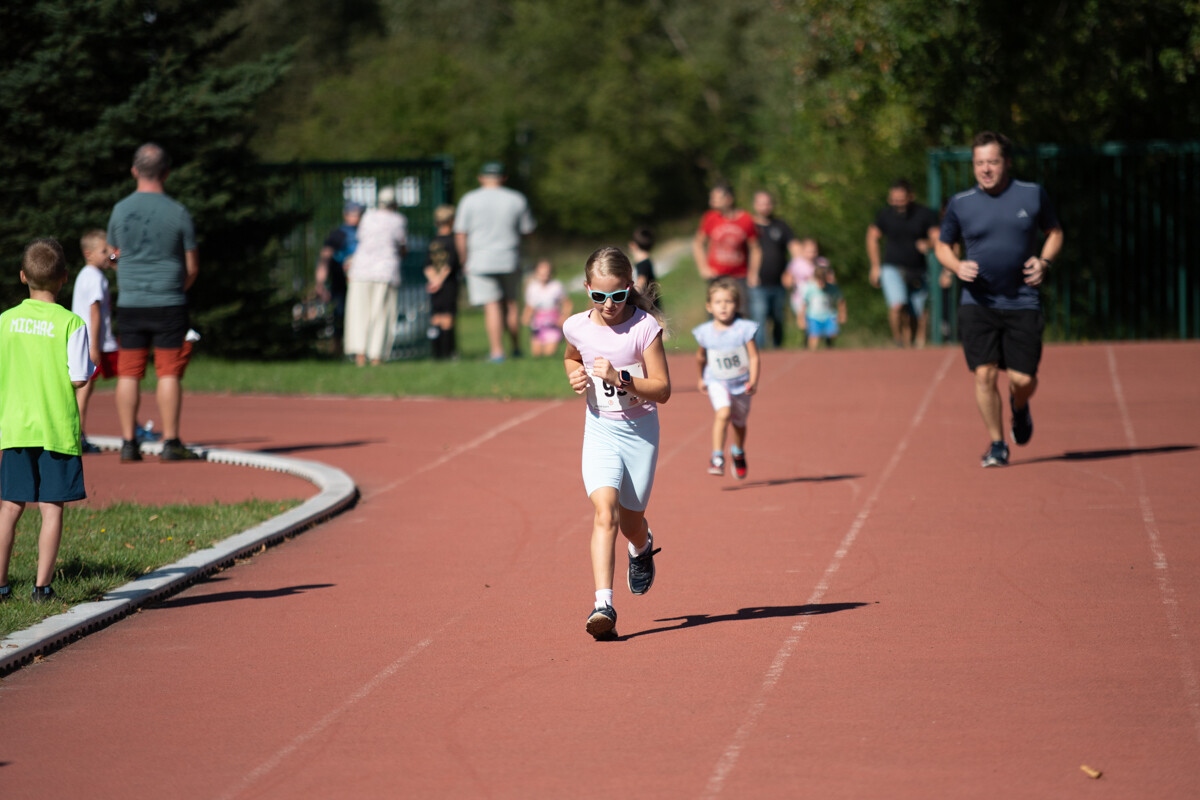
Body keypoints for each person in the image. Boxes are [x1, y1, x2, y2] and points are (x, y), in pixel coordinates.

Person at [936, 131, 1063, 468]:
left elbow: (1055, 232)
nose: (986, 169)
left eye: (992, 162)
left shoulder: (1032, 194)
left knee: (1023, 380)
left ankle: (1019, 407)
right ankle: (996, 443)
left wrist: (1044, 262)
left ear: (1006, 162)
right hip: (978, 303)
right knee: (984, 374)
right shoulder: (961, 203)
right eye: (979, 163)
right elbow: (942, 244)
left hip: (1023, 301)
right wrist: (956, 264)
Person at [563, 246, 670, 640]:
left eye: (617, 295)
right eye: (598, 296)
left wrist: (620, 378)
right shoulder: (576, 326)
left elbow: (662, 389)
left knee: (630, 523)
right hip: (601, 430)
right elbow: (572, 357)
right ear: (587, 288)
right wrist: (574, 375)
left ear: (629, 288)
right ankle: (602, 605)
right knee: (603, 513)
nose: (608, 305)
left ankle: (642, 549)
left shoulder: (644, 328)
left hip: (640, 432)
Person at [0, 238, 94, 603]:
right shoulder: (71, 323)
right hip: (55, 427)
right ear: (64, 279)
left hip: (16, 426)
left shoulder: (5, 321)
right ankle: (42, 588)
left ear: (23, 276)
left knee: (9, 506)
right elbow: (78, 377)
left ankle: (3, 585)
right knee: (51, 508)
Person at [107, 142, 200, 463]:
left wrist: (126, 270)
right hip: (169, 302)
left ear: (134, 171)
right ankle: (171, 442)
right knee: (168, 372)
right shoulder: (178, 212)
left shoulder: (120, 210)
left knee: (129, 373)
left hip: (131, 303)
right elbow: (192, 267)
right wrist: (175, 286)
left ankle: (128, 443)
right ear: (167, 172)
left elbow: (113, 253)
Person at [454, 162, 537, 362]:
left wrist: (463, 258)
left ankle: (497, 352)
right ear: (503, 177)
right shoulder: (517, 199)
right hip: (510, 257)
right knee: (511, 304)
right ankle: (516, 348)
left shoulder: (469, 200)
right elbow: (528, 231)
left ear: (481, 178)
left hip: (481, 260)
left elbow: (460, 233)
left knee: (492, 306)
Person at [693, 278, 760, 479]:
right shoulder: (705, 332)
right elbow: (700, 357)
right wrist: (700, 378)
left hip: (741, 383)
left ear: (737, 305)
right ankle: (717, 456)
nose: (723, 306)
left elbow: (754, 356)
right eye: (718, 302)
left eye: (728, 302)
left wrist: (754, 380)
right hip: (716, 381)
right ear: (709, 306)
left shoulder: (744, 329)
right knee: (723, 413)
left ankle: (738, 452)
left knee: (739, 423)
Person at [866, 178, 941, 348]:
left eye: (901, 199)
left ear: (911, 197)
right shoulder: (885, 215)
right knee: (897, 305)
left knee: (917, 312)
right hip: (891, 267)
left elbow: (938, 237)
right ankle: (898, 341)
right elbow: (872, 237)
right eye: (894, 200)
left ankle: (912, 344)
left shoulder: (925, 214)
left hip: (918, 269)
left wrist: (928, 244)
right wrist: (875, 266)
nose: (898, 204)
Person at [344, 186, 407, 367]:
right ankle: (376, 355)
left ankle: (360, 354)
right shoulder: (399, 220)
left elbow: (362, 240)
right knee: (381, 313)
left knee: (359, 312)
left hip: (361, 269)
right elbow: (401, 246)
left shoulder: (368, 217)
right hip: (385, 271)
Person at [71, 229, 119, 452]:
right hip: (93, 342)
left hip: (88, 341)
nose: (109, 255)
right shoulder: (94, 277)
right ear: (88, 253)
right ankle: (77, 433)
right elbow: (95, 312)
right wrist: (95, 346)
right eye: (104, 251)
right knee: (86, 387)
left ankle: (78, 431)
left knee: (86, 387)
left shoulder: (86, 274)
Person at [693, 182, 761, 311]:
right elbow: (698, 243)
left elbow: (755, 248)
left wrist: (753, 273)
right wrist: (703, 268)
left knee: (741, 312)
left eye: (716, 199)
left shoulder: (746, 219)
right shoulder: (710, 218)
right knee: (717, 314)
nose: (712, 203)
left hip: (740, 277)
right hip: (717, 276)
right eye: (711, 199)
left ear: (729, 199)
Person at [750, 191, 802, 349]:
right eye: (761, 203)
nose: (764, 206)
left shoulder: (781, 226)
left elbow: (795, 250)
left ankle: (778, 349)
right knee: (759, 318)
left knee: (778, 318)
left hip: (779, 282)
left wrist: (793, 272)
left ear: (772, 205)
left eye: (767, 203)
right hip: (757, 282)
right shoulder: (749, 226)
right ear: (754, 205)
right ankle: (760, 352)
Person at [314, 201, 363, 351]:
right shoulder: (338, 234)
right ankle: (338, 348)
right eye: (352, 213)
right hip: (340, 281)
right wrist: (320, 282)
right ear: (345, 215)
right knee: (339, 314)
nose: (355, 217)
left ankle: (358, 349)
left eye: (358, 214)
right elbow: (325, 258)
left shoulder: (365, 233)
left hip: (360, 281)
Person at [424, 204, 461, 360]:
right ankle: (447, 353)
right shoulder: (453, 241)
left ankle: (436, 353)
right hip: (447, 284)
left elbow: (427, 265)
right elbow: (450, 264)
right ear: (451, 220)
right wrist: (439, 280)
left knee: (436, 318)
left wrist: (433, 280)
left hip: (433, 285)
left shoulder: (433, 241)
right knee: (447, 318)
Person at [521, 258, 571, 357]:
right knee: (537, 355)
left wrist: (564, 316)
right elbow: (530, 305)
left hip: (552, 322)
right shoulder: (532, 287)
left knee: (549, 353)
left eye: (546, 273)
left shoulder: (556, 286)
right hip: (538, 323)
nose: (544, 276)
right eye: (541, 273)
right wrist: (525, 316)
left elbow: (567, 303)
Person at [797, 263, 847, 351]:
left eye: (823, 280)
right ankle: (809, 352)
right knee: (814, 339)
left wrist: (842, 314)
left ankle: (829, 346)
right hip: (814, 316)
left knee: (833, 334)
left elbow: (841, 301)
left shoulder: (833, 288)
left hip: (829, 315)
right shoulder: (810, 288)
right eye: (819, 280)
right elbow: (804, 304)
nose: (822, 284)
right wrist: (801, 318)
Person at [628, 226, 661, 306]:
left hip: (649, 306)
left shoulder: (643, 263)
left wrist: (630, 297)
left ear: (633, 245)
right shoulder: (646, 261)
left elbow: (641, 282)